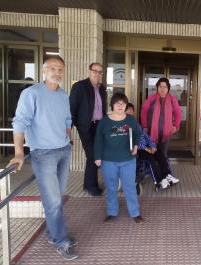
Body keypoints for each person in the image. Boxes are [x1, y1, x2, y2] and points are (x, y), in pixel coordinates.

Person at [8, 56, 79, 260]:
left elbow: (67, 118)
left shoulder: (63, 95)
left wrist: (68, 136)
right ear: (44, 70)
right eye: (53, 68)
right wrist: (19, 152)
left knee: (58, 196)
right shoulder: (31, 94)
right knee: (54, 200)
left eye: (60, 69)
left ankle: (52, 232)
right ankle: (61, 241)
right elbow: (20, 122)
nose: (57, 72)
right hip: (43, 154)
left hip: (63, 150)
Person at [94, 93, 143, 223]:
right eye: (117, 103)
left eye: (123, 103)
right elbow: (98, 140)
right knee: (111, 187)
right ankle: (111, 211)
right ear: (112, 105)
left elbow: (138, 134)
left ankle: (135, 212)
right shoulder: (104, 122)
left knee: (130, 186)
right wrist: (97, 156)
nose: (120, 106)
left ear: (126, 105)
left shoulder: (130, 120)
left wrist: (136, 145)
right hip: (108, 160)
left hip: (128, 160)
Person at [69, 63, 107, 196]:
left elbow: (103, 109)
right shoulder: (80, 86)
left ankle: (88, 184)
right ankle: (91, 186)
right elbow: (71, 108)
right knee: (92, 155)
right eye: (95, 71)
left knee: (96, 154)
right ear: (89, 71)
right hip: (85, 126)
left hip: (99, 125)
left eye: (100, 72)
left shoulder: (102, 88)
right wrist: (69, 129)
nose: (97, 74)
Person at [140, 77, 181, 186]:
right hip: (151, 134)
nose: (162, 89)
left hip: (165, 134)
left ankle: (165, 176)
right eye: (160, 87)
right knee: (152, 154)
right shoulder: (151, 99)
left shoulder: (173, 99)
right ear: (157, 88)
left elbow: (177, 113)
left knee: (163, 155)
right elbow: (143, 112)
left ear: (168, 88)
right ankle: (156, 175)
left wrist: (176, 126)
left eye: (165, 87)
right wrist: (144, 126)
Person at [126, 103, 175, 189]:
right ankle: (158, 182)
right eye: (128, 112)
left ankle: (167, 175)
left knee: (160, 153)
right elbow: (132, 141)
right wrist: (146, 148)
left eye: (131, 111)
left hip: (147, 147)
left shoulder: (136, 123)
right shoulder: (125, 125)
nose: (130, 113)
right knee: (151, 160)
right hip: (138, 149)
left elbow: (146, 136)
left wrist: (152, 146)